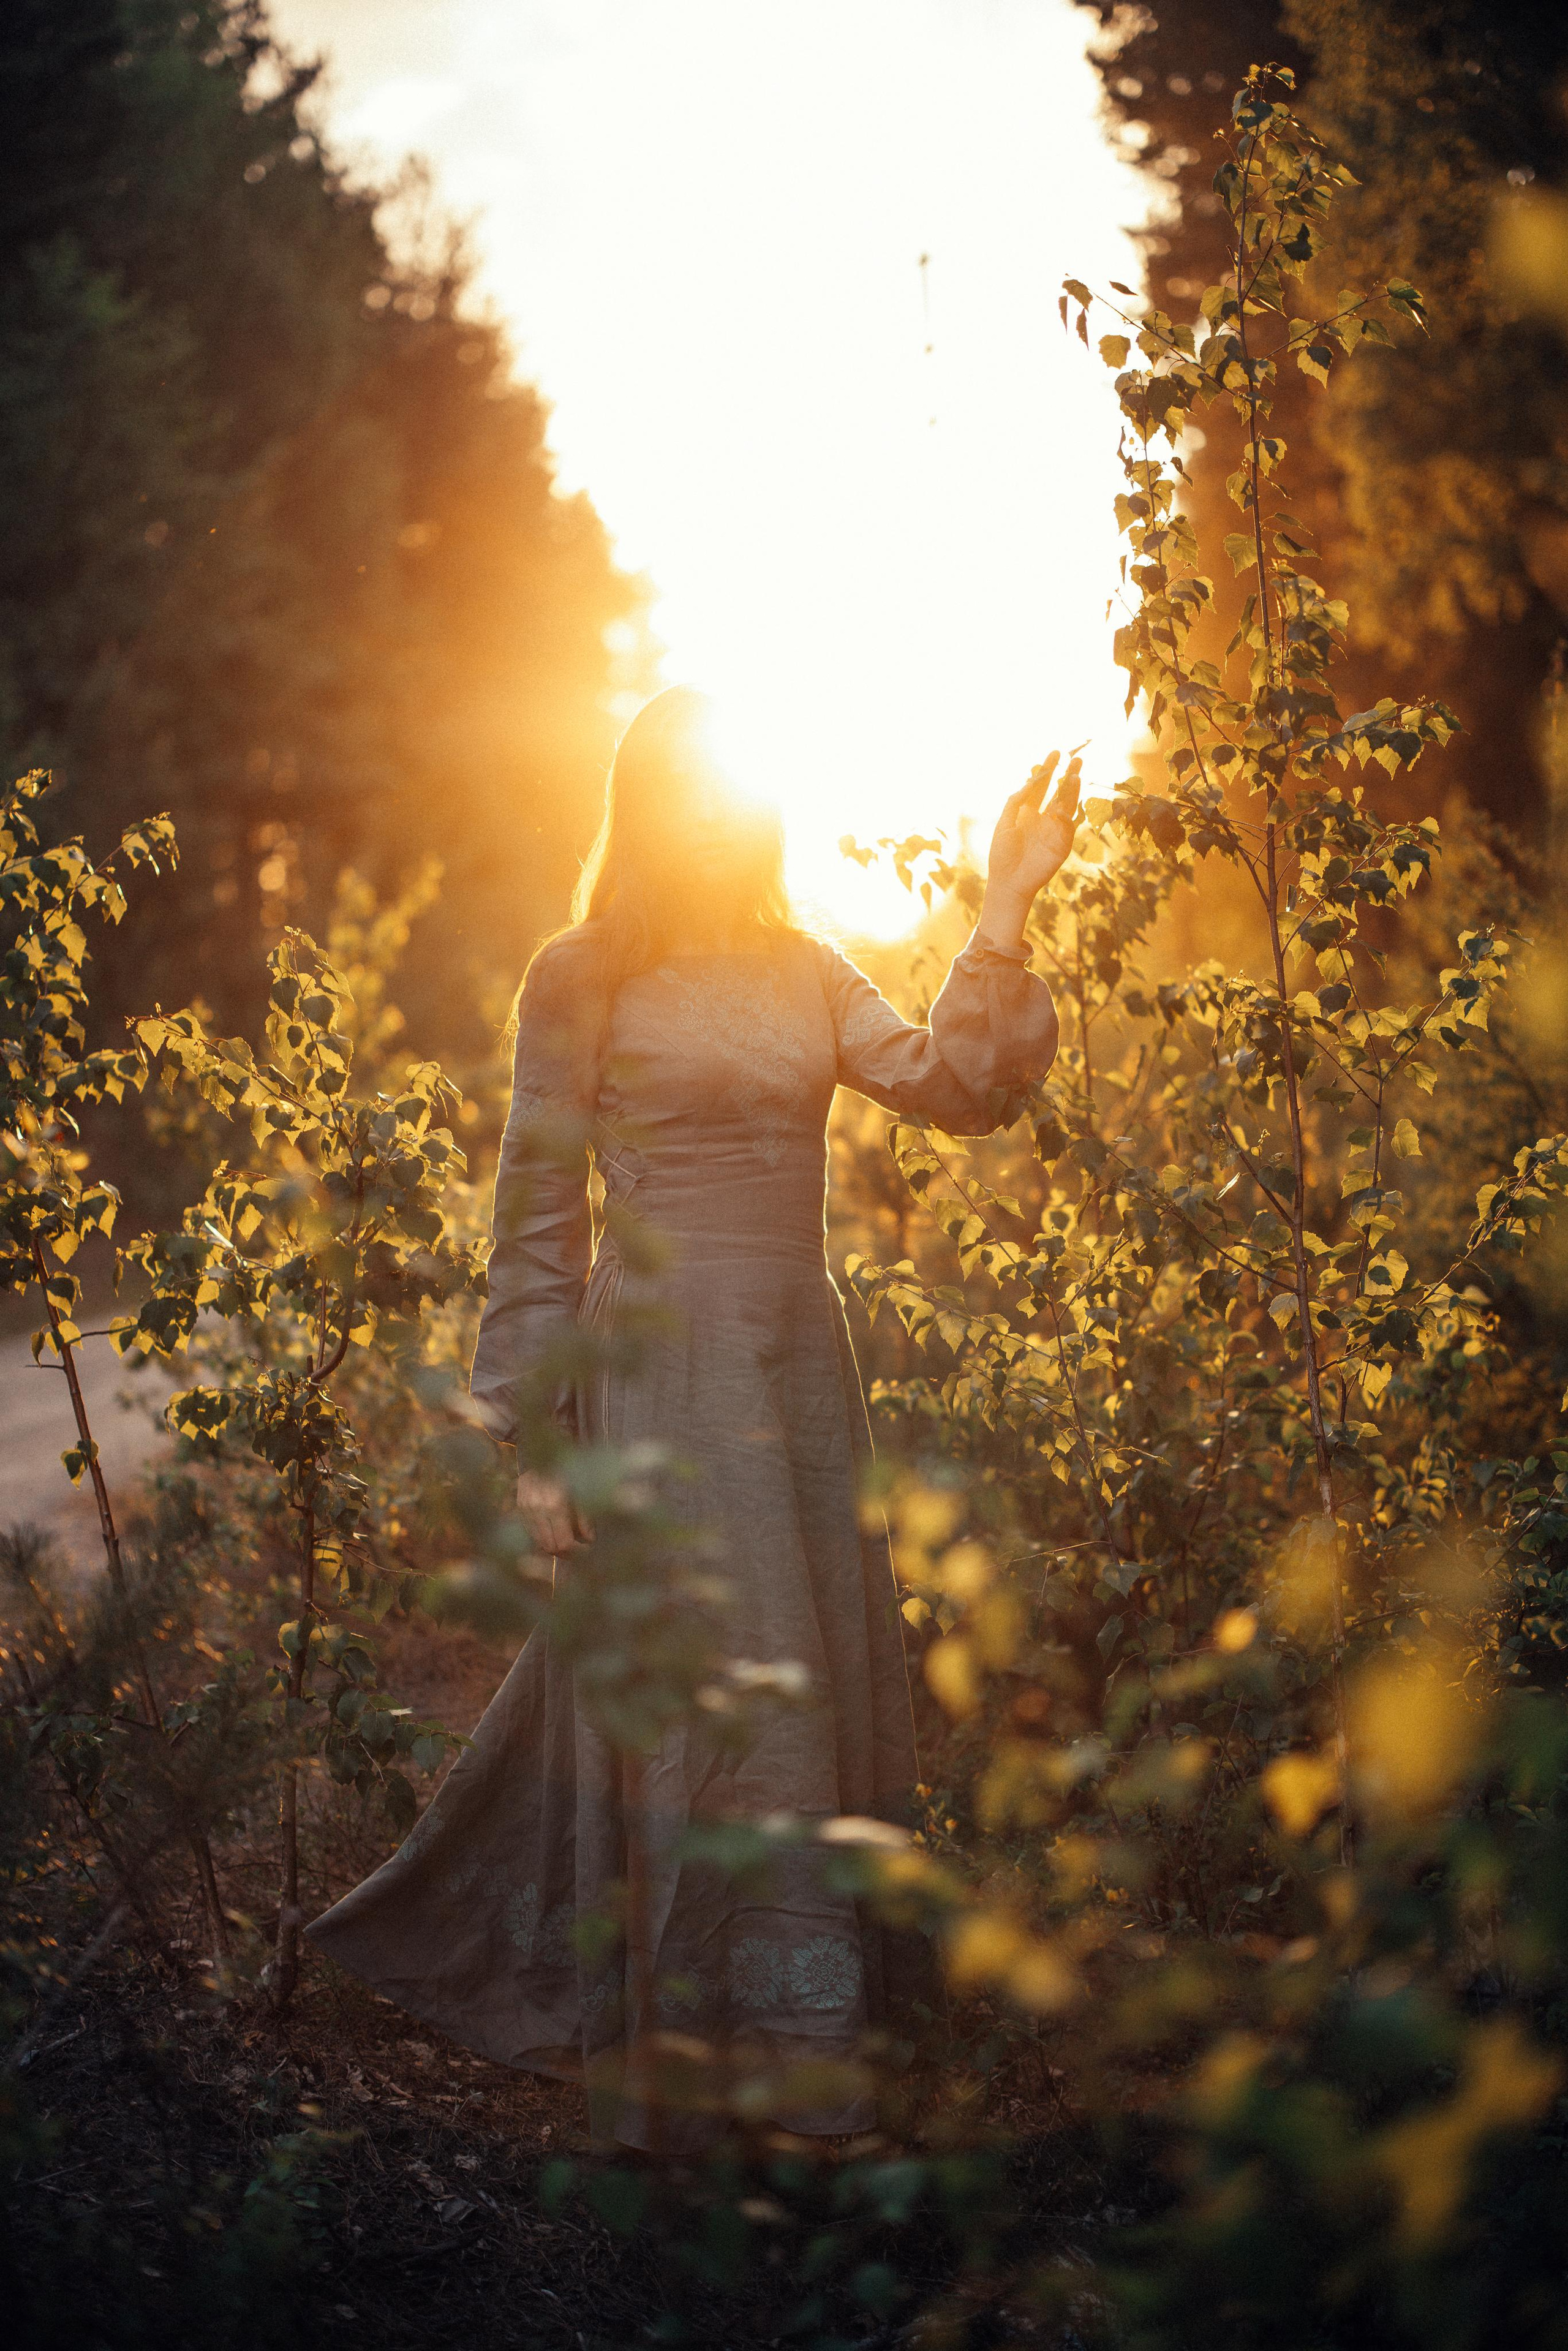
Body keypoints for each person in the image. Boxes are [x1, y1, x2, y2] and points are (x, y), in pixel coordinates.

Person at [309, 687, 1079, 2145]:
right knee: (695, 1694)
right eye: (690, 790)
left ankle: (808, 2034)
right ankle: (703, 2048)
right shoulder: (579, 973)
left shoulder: (803, 965)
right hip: (655, 1376)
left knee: (805, 1677)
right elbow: (533, 1210)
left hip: (795, 1377)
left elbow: (959, 1085)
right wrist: (535, 1445)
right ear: (650, 803)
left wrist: (1004, 901)